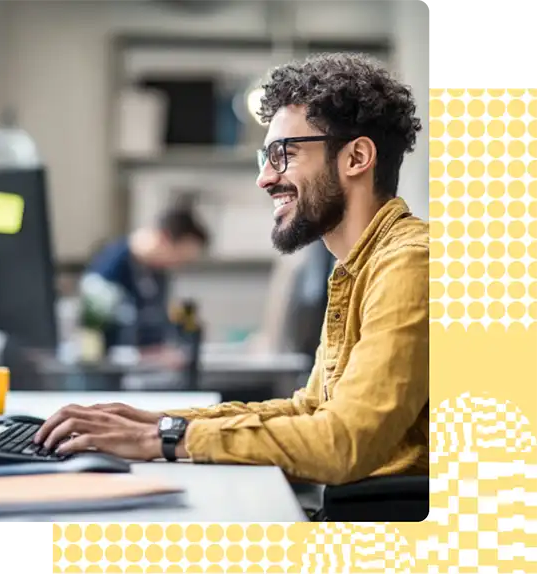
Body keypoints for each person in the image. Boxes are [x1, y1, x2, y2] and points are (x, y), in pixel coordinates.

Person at [35, 52, 429, 487]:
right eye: (266, 157)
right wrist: (158, 422)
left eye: (284, 154)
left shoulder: (411, 265)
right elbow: (310, 410)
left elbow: (341, 442)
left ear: (356, 158)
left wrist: (167, 438)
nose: (264, 178)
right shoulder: (359, 267)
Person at [84, 204, 209, 360]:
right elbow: (89, 346)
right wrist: (145, 357)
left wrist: (191, 330)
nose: (178, 265)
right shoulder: (108, 270)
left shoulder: (156, 273)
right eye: (179, 257)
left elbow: (168, 315)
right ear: (164, 239)